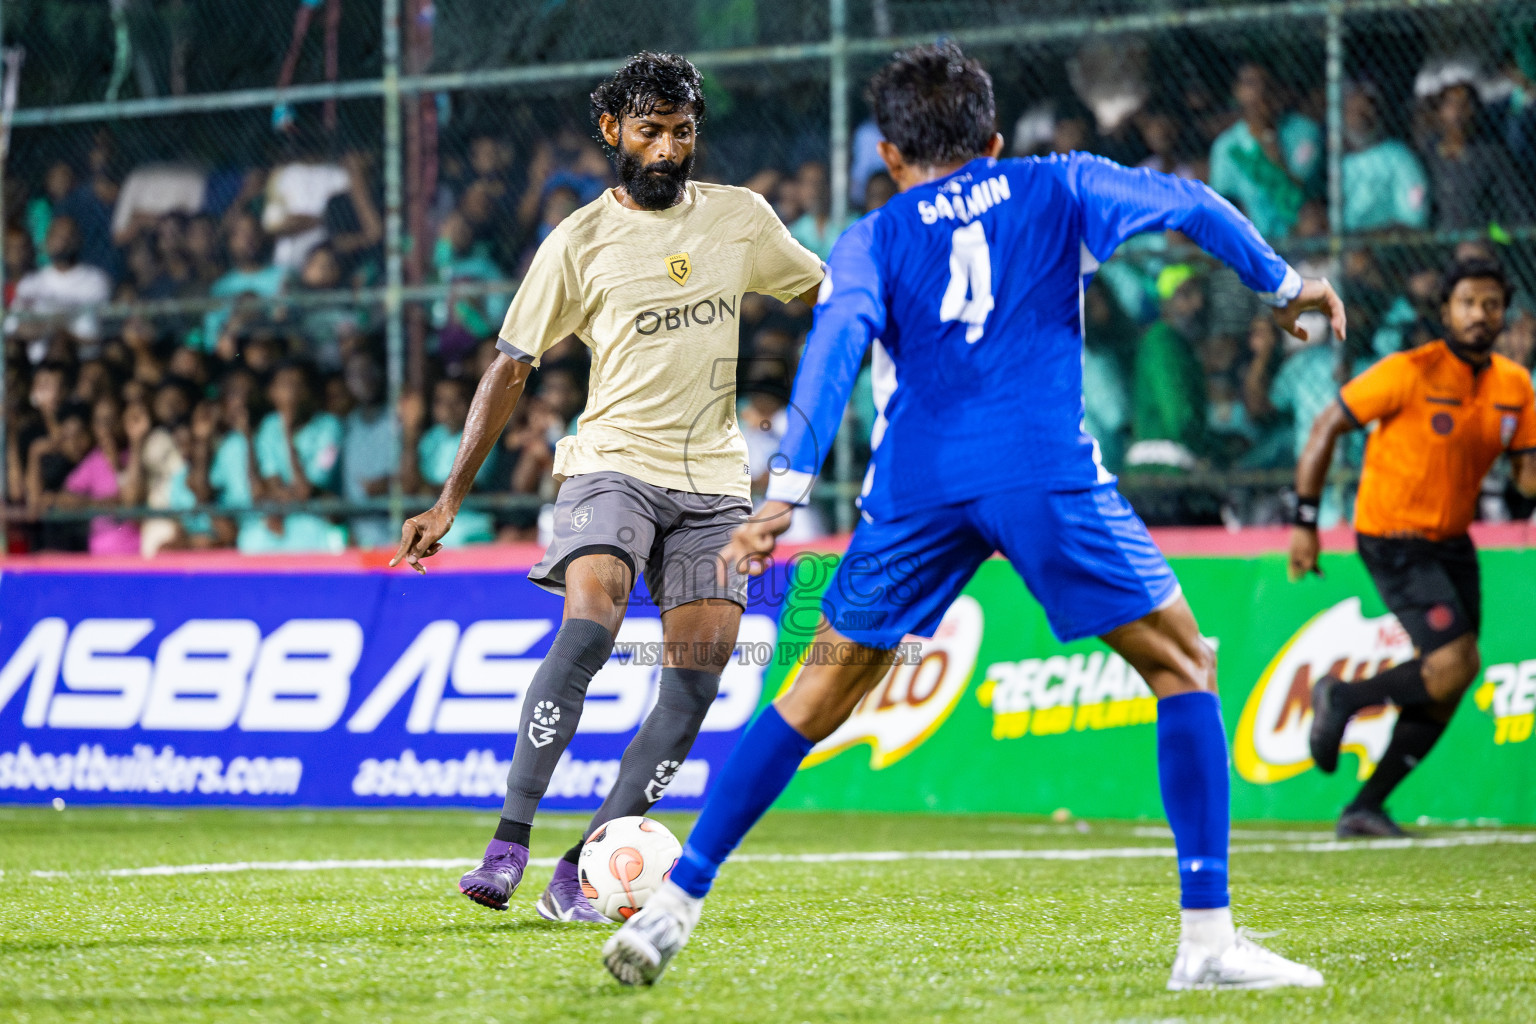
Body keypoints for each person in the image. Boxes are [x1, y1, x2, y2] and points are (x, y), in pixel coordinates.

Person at [604, 42, 1343, 991]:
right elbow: (1193, 205)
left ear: (889, 153)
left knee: (813, 698)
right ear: (992, 138)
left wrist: (783, 494)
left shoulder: (874, 234)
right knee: (1184, 662)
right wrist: (1284, 287)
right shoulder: (1060, 182)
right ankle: (1207, 941)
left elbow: (833, 348)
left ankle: (672, 908)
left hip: (914, 488)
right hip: (1039, 469)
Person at [388, 52, 824, 923]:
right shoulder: (578, 241)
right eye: (650, 130)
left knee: (696, 684)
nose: (667, 148)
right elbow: (509, 369)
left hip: (715, 485)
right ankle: (509, 840)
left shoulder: (742, 219)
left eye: (683, 132)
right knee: (588, 631)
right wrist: (449, 499)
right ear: (612, 132)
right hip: (612, 466)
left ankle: (580, 867)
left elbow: (829, 294)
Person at [1291, 256, 1536, 838]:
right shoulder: (1410, 370)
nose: (1480, 314)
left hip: (1453, 540)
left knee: (1455, 675)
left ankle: (1365, 808)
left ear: (1505, 313)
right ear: (1446, 310)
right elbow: (1327, 426)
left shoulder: (1514, 385)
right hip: (1393, 536)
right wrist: (1305, 520)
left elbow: (1527, 480)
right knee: (1452, 663)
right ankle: (1343, 696)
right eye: (1468, 302)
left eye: (1492, 304)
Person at [1208, 62, 1321, 240]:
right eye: (1250, 84)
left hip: (1303, 238)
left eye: (1266, 84)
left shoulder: (1305, 132)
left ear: (1279, 91)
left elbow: (1297, 197)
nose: (1259, 91)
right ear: (1237, 92)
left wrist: (1269, 139)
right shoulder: (1225, 146)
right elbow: (1225, 205)